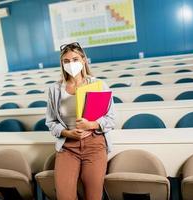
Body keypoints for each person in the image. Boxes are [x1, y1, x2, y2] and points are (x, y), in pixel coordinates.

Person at [45, 42, 116, 200]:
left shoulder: (98, 85)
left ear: (84, 60)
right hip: (68, 146)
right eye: (66, 61)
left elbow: (111, 119)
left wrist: (91, 125)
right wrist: (67, 132)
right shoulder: (55, 89)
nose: (71, 64)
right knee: (64, 196)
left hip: (94, 145)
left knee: (93, 196)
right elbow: (51, 122)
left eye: (75, 59)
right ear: (62, 64)